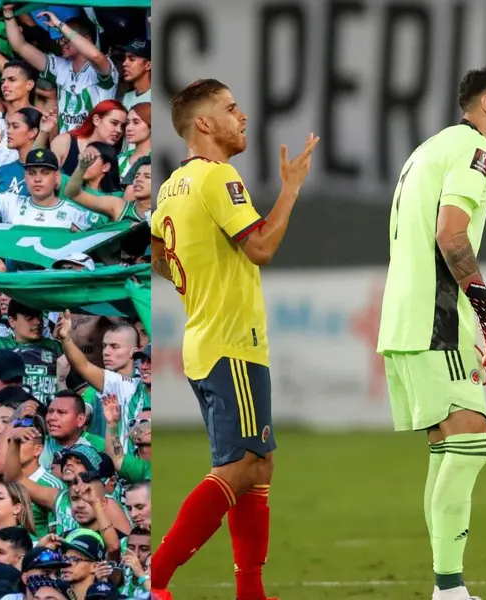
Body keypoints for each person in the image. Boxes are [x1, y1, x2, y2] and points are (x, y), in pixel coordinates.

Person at [148, 78, 318, 600]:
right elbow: (261, 247)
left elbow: (157, 255)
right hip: (229, 341)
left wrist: (195, 280)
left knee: (259, 464)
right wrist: (289, 190)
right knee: (242, 464)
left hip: (206, 337)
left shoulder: (171, 186)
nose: (241, 116)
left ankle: (251, 591)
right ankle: (154, 579)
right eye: (230, 108)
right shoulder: (218, 177)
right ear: (203, 123)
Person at [376, 65, 486, 600]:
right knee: (469, 442)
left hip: (404, 316)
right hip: (436, 318)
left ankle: (447, 587)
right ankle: (449, 589)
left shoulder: (428, 148)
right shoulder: (474, 151)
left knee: (449, 447)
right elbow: (450, 233)